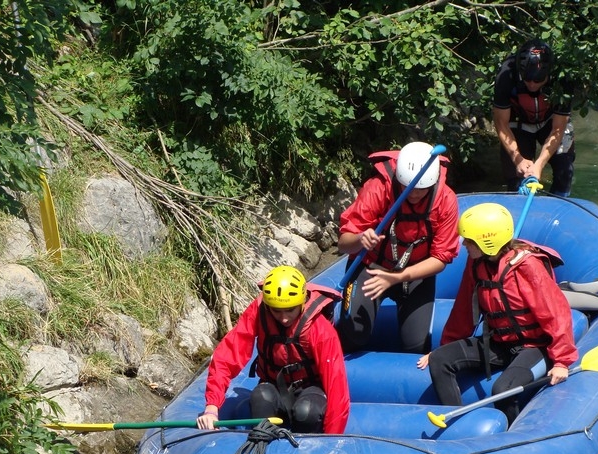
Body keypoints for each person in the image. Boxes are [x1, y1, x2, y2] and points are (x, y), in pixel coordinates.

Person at [419, 203, 577, 423]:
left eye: (469, 240)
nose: (464, 244)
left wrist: (561, 361)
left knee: (503, 390)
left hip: (535, 347)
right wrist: (446, 347)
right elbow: (463, 310)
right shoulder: (476, 264)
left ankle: (508, 440)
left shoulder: (527, 266)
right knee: (439, 360)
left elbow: (556, 313)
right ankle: (460, 427)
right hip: (498, 343)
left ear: (487, 242)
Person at [336, 141, 460, 354]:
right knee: (353, 334)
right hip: (372, 266)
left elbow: (441, 258)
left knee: (416, 345)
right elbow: (343, 243)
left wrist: (396, 277)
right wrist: (359, 239)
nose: (412, 194)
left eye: (420, 190)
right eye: (406, 188)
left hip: (415, 273)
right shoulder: (378, 188)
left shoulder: (446, 199)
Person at [197, 265, 350, 434]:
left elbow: (336, 387)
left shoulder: (320, 330)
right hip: (274, 387)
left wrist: (332, 439)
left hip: (311, 390)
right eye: (277, 311)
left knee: (306, 412)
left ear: (302, 302)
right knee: (261, 397)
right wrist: (211, 408)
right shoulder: (259, 311)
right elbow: (227, 356)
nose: (284, 318)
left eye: (290, 310)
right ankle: (262, 443)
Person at [493, 39, 575, 196]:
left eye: (538, 80)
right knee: (517, 177)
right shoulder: (506, 75)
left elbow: (558, 128)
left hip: (550, 122)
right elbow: (501, 123)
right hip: (518, 123)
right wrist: (518, 159)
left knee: (565, 171)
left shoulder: (563, 79)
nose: (532, 84)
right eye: (527, 79)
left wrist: (539, 164)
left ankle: (557, 207)